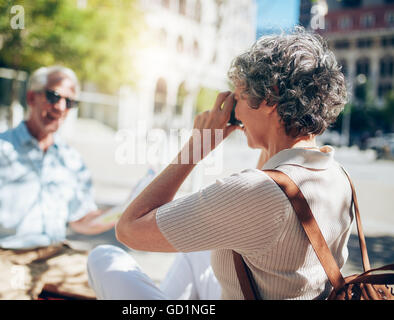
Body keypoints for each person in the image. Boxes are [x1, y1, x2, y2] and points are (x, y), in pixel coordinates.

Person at [87, 28, 352, 300]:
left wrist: (197, 146)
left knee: (103, 257)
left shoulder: (253, 191)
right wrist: (261, 134)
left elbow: (129, 229)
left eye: (235, 99)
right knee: (196, 255)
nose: (233, 112)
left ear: (269, 98)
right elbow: (274, 177)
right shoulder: (338, 176)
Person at [0, 66, 115, 299]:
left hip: (56, 258)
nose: (61, 107)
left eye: (70, 102)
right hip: (3, 259)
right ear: (31, 97)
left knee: (117, 281)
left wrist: (123, 214)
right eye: (53, 96)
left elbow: (82, 220)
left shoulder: (71, 159)